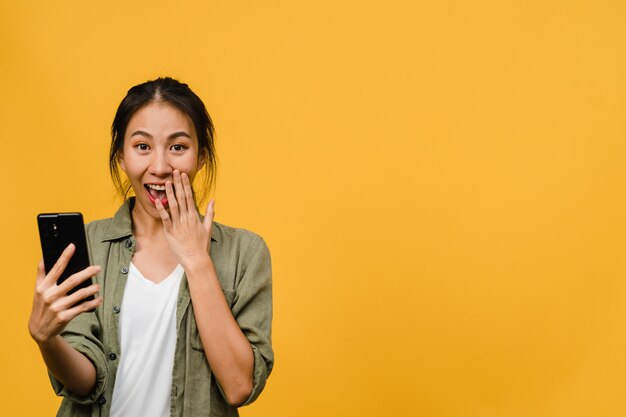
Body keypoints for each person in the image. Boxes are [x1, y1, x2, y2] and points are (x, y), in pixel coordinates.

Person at [28, 77, 274, 417]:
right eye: (142, 146)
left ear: (201, 157)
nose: (159, 167)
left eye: (178, 147)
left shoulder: (244, 253)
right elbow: (84, 383)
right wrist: (47, 340)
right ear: (121, 157)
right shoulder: (87, 246)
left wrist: (196, 260)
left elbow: (238, 386)